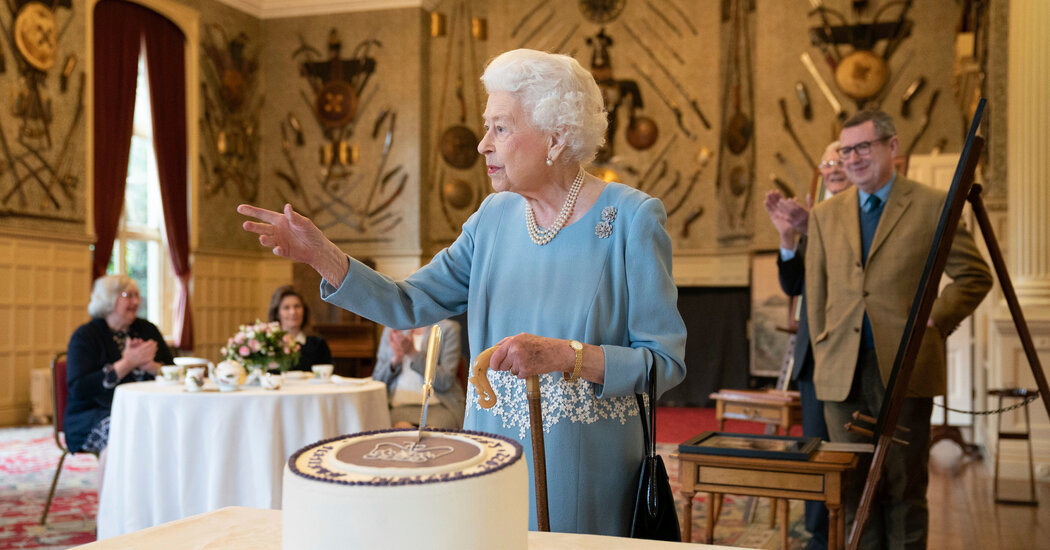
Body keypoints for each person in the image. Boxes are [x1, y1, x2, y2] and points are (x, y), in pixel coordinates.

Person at [238, 48, 687, 536]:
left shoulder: (631, 218)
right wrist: (322, 255)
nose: (482, 145)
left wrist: (566, 355)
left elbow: (664, 362)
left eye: (500, 127)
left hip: (588, 468)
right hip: (491, 455)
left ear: (556, 138)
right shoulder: (491, 220)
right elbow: (407, 303)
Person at [806, 110, 992, 549]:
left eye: (862, 147)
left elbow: (975, 276)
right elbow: (816, 297)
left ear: (892, 147)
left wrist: (938, 318)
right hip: (841, 374)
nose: (852, 158)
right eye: (846, 149)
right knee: (851, 487)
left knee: (904, 488)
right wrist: (824, 343)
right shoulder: (825, 216)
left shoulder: (932, 205)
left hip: (906, 367)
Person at [763, 141, 852, 550]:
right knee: (815, 452)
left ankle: (855, 533)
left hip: (856, 354)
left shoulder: (861, 214)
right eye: (828, 160)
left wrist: (813, 222)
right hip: (814, 357)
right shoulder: (812, 213)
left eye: (841, 159)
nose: (833, 166)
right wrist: (787, 239)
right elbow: (794, 284)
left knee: (850, 456)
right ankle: (819, 538)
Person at [65, 275, 174, 479]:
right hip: (93, 414)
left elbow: (173, 372)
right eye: (128, 295)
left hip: (148, 409)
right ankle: (110, 509)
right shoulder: (85, 336)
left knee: (175, 428)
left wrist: (153, 367)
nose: (136, 302)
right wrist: (126, 364)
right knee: (124, 433)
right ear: (109, 299)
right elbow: (79, 388)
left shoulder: (147, 329)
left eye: (137, 295)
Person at [372, 318, 466, 429]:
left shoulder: (448, 328)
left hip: (439, 406)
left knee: (430, 439)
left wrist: (412, 353)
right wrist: (396, 359)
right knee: (399, 435)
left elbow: (445, 382)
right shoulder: (391, 329)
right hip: (398, 406)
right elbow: (377, 380)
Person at [267, 285, 331, 372]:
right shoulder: (268, 344)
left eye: (297, 306)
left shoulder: (318, 344)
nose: (293, 312)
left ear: (304, 311)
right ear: (277, 313)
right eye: (286, 307)